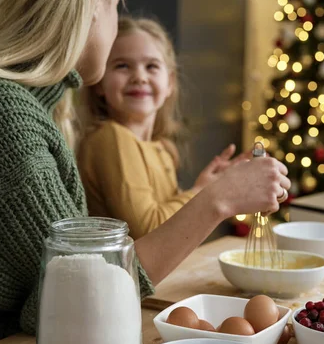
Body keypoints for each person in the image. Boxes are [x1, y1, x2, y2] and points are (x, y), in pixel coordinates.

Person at [0, 0, 290, 344]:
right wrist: (218, 199)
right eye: (115, 4)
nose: (116, 18)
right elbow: (81, 302)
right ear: (90, 6)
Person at [77, 17, 245, 239]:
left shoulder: (164, 149)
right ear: (99, 82)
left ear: (170, 83)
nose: (139, 77)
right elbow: (150, 231)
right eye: (122, 66)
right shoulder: (111, 138)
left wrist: (205, 188)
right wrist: (203, 192)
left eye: (151, 66)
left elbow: (175, 232)